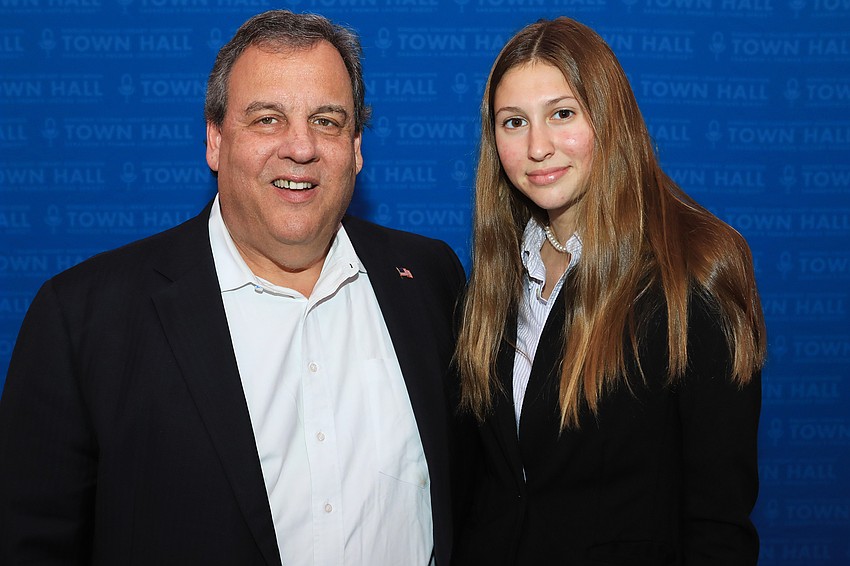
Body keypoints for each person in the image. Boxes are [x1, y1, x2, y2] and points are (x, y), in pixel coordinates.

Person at [0, 10, 465, 566]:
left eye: (327, 120)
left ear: (357, 148)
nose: (300, 147)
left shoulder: (429, 279)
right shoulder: (82, 320)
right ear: (215, 141)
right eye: (267, 119)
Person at [451, 17, 766, 565]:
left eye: (563, 114)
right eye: (513, 122)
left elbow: (718, 524)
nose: (538, 146)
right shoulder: (497, 275)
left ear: (609, 118)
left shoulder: (695, 273)